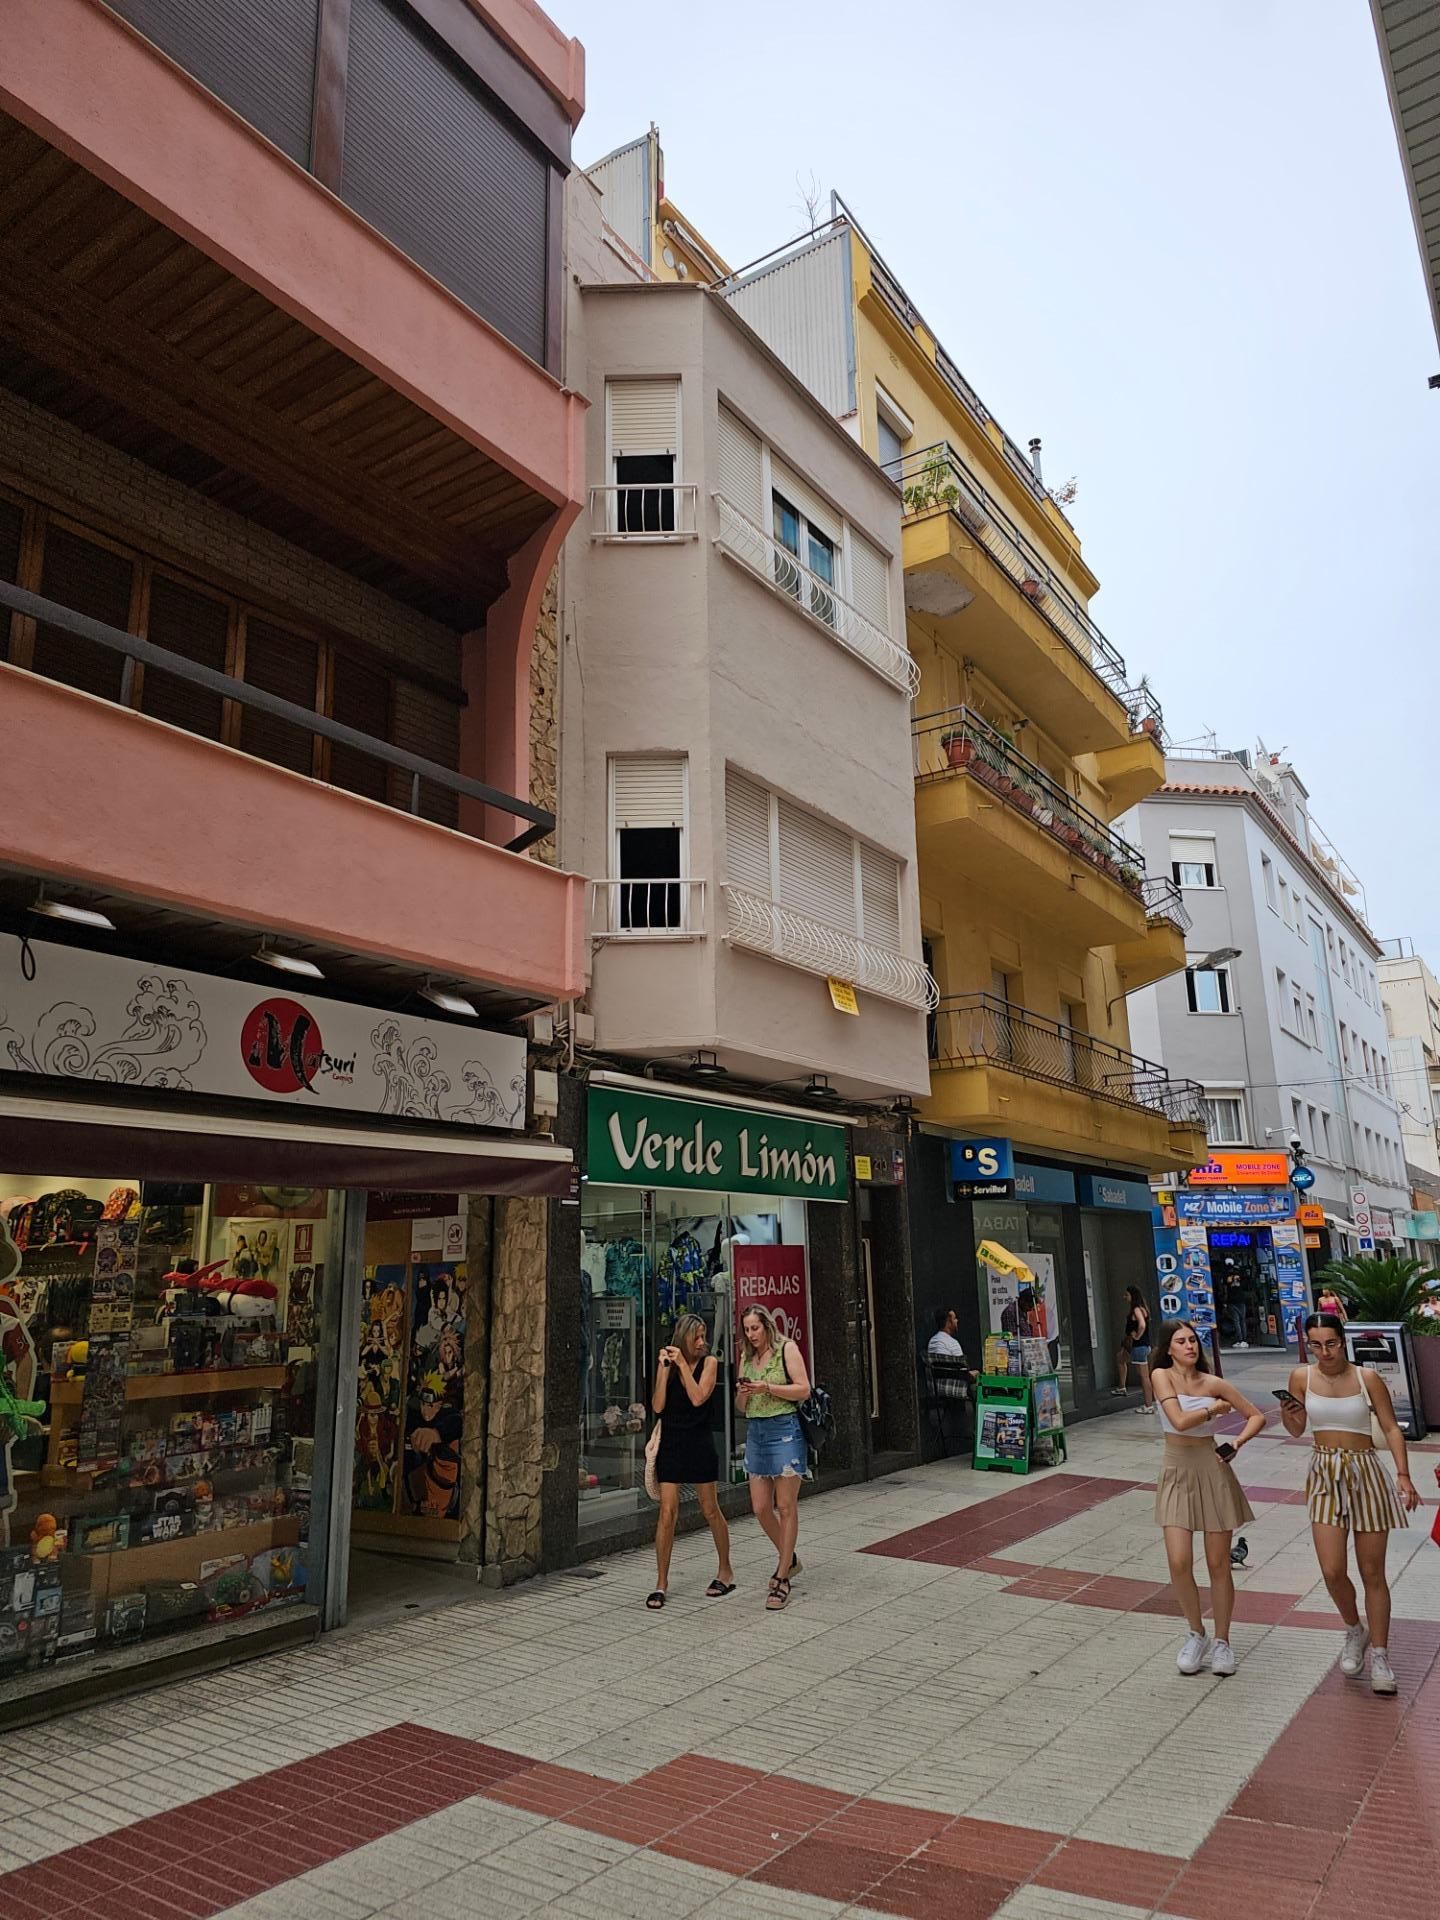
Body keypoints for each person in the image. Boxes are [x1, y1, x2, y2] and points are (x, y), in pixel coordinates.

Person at [1278, 1311, 1418, 1695]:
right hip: (1324, 1471)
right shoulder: (1301, 1378)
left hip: (1365, 1471)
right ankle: (1354, 1628)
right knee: (1332, 1569)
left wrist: (1403, 1474)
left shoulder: (1366, 1378)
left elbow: (1390, 1426)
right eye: (1316, 1345)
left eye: (1331, 1343)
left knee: (1372, 1571)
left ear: (1343, 1341)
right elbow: (1297, 1429)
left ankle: (1381, 1655)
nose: (1325, 1352)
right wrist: (1289, 1414)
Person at [1151, 1319, 1266, 1676]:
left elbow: (1256, 1415)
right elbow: (1178, 1420)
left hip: (1212, 1468)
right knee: (1179, 1561)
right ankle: (1195, 1632)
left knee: (1218, 1564)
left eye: (1192, 1340)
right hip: (1176, 1469)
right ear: (1168, 1348)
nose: (1189, 1346)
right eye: (1180, 1341)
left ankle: (1222, 1641)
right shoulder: (1161, 1376)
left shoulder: (1214, 1383)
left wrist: (1237, 1442)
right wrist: (1214, 1410)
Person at [645, 1313, 734, 1611]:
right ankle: (661, 1582)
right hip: (672, 1442)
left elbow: (698, 1398)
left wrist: (683, 1365)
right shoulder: (670, 1364)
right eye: (696, 1336)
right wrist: (663, 1370)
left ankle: (725, 1570)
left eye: (703, 1335)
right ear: (682, 1338)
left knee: (710, 1508)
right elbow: (658, 1405)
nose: (701, 1341)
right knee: (667, 1513)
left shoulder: (709, 1363)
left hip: (699, 1442)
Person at [737, 1305, 810, 1611]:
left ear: (766, 1325)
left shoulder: (786, 1349)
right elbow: (741, 1407)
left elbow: (803, 1389)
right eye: (747, 1329)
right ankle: (789, 1558)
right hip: (757, 1431)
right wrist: (745, 1393)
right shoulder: (746, 1356)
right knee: (760, 1507)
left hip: (785, 1429)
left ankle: (782, 1576)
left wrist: (767, 1387)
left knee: (786, 1505)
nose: (751, 1334)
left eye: (755, 1328)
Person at [1114, 1287, 1154, 1412]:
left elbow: (1142, 1325)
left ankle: (1148, 1406)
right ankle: (1122, 1386)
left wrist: (1137, 1336)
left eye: (1127, 1295)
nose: (1125, 1297)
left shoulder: (1136, 1309)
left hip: (1139, 1346)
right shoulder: (1143, 1308)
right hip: (1139, 1345)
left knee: (1144, 1377)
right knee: (1120, 1358)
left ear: (1133, 1296)